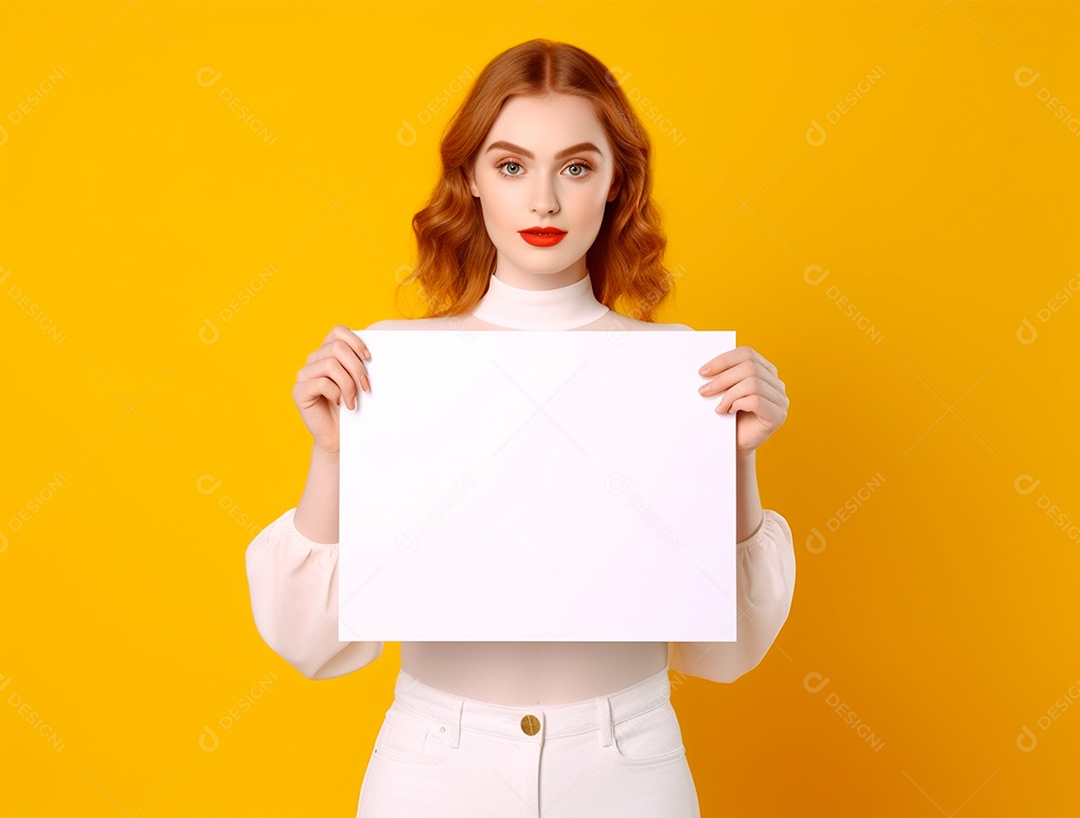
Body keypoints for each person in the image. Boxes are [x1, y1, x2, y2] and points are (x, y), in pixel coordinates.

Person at [244, 38, 796, 818]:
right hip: (434, 766)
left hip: (628, 766)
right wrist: (333, 454)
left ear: (615, 185)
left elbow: (728, 647)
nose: (543, 201)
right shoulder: (393, 367)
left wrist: (735, 458)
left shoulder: (679, 372)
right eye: (511, 166)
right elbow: (311, 642)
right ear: (469, 177)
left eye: (576, 167)